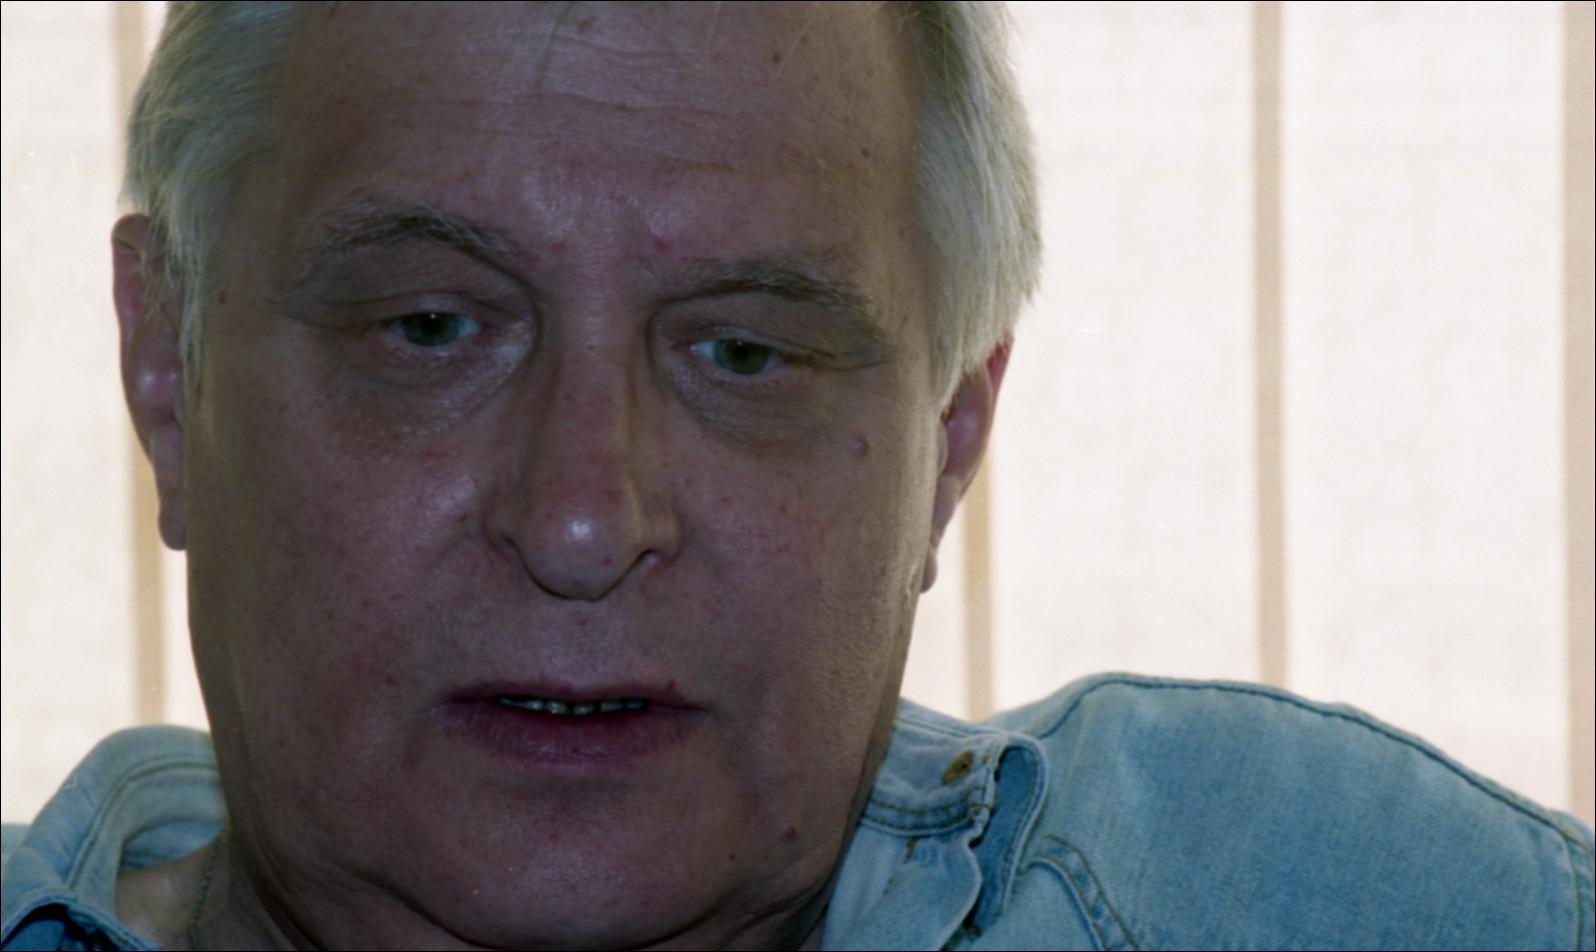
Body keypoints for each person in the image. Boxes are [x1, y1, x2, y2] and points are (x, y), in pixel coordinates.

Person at [2, 2, 1590, 949]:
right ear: (166, 371)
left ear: (950, 448)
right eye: (431, 328)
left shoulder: (1292, 892)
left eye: (745, 353)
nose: (582, 519)